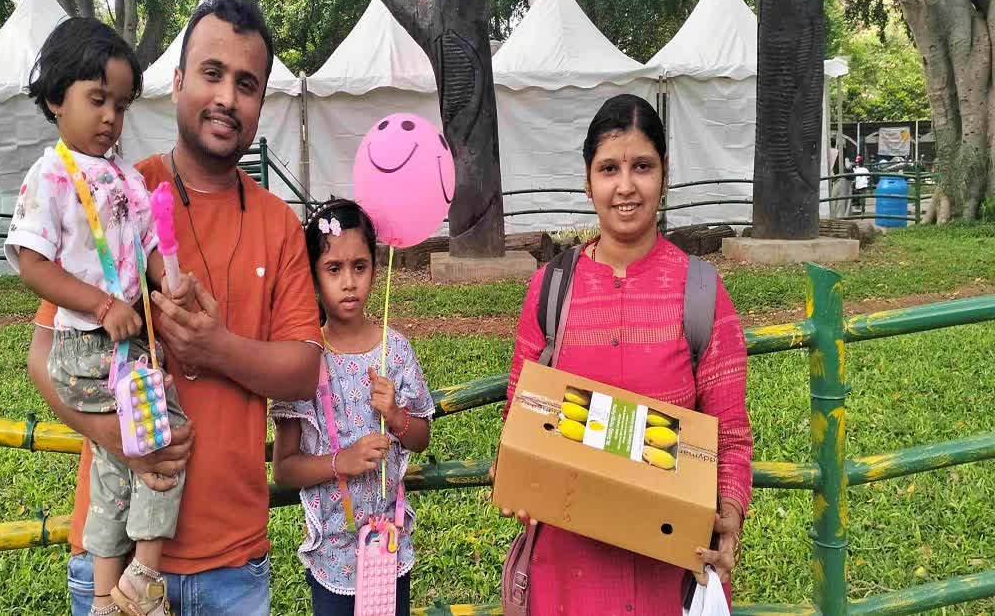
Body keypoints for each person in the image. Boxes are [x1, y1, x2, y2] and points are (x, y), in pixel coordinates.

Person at [27, 0, 323, 615]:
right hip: (111, 561)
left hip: (232, 565)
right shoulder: (110, 192)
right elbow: (44, 358)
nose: (226, 98)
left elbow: (302, 369)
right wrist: (116, 435)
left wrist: (217, 349)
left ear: (262, 102)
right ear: (179, 80)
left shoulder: (278, 224)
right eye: (212, 74)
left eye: (246, 84)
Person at [491, 94, 753, 612]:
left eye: (642, 167)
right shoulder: (552, 290)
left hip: (666, 571)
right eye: (609, 168)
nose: (626, 186)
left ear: (664, 175)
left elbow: (731, 435)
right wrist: (516, 473)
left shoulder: (700, 292)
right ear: (588, 181)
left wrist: (729, 512)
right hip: (564, 572)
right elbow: (519, 415)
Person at [6, 17, 195, 616]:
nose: (111, 117)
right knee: (166, 431)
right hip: (85, 349)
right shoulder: (51, 175)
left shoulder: (123, 178)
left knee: (118, 463)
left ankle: (107, 597)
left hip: (121, 348)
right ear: (56, 99)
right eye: (97, 99)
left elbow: (149, 249)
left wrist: (173, 278)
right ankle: (144, 576)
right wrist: (101, 305)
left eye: (122, 103)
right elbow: (32, 263)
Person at [270, 199, 434, 616]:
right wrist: (341, 461)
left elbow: (421, 438)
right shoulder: (304, 360)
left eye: (359, 267)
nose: (348, 282)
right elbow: (285, 469)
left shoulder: (394, 351)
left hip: (389, 548)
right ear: (313, 275)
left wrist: (397, 417)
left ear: (375, 271)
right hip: (333, 559)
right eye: (333, 269)